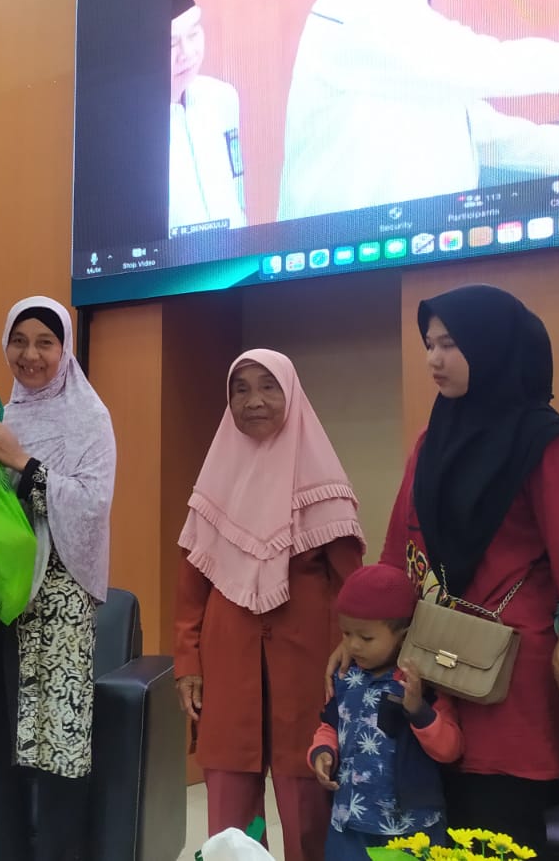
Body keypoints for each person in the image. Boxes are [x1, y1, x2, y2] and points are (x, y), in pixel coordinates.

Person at [331, 284, 559, 852]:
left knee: (497, 837)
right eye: (429, 344)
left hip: (511, 685)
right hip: (430, 676)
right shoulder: (432, 441)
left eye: (450, 343)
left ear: (492, 346)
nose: (433, 359)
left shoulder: (546, 446)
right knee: (430, 834)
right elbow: (398, 553)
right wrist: (359, 635)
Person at [276, 0, 559, 221]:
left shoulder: (397, 3)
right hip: (345, 267)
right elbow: (491, 66)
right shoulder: (360, 1)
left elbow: (473, 125)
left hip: (401, 258)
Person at [0, 295, 117, 861]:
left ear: (65, 350)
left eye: (45, 342)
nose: (30, 355)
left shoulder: (90, 419)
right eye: (19, 341)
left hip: (55, 605)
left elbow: (92, 506)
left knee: (55, 750)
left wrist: (23, 462)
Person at [175, 349, 364, 861]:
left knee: (307, 804)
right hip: (226, 664)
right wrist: (188, 663)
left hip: (309, 666)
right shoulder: (214, 481)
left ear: (291, 394)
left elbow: (352, 586)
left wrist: (356, 653)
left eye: (268, 387)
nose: (253, 400)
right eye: (240, 389)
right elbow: (192, 587)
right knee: (231, 810)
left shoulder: (323, 483)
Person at [312, 564, 461, 859]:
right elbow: (329, 725)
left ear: (403, 636)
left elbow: (450, 749)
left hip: (412, 829)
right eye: (346, 633)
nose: (353, 645)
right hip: (350, 822)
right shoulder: (344, 677)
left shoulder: (423, 684)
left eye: (366, 638)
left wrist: (418, 711)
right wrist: (322, 752)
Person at [169, 0, 247, 235]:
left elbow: (237, 186)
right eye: (171, 44)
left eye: (193, 34)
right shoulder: (129, 127)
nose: (187, 53)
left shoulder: (222, 98)